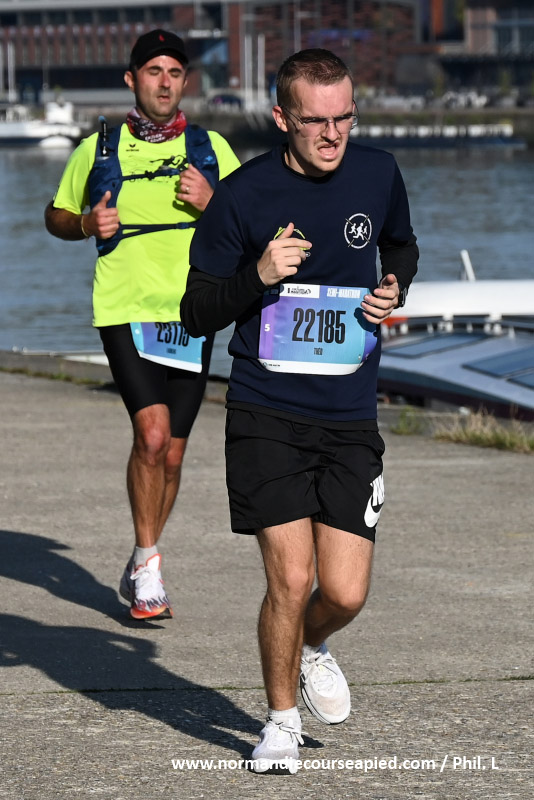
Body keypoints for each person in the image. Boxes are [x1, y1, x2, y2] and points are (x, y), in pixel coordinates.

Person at [180, 48, 418, 773]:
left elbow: (402, 245)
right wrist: (257, 274)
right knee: (288, 578)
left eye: (345, 117)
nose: (333, 134)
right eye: (316, 121)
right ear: (282, 118)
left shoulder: (378, 173)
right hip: (267, 410)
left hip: (349, 412)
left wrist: (393, 285)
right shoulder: (242, 197)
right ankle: (279, 722)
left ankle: (313, 643)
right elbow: (196, 313)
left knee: (343, 592)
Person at [45, 29, 240, 621]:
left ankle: (139, 559)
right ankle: (151, 564)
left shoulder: (211, 147)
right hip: (125, 306)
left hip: (192, 311)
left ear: (185, 82)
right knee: (151, 436)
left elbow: (253, 222)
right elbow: (55, 215)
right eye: (153, 71)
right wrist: (86, 224)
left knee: (173, 454)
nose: (164, 82)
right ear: (132, 79)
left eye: (174, 73)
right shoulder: (98, 148)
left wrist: (214, 202)